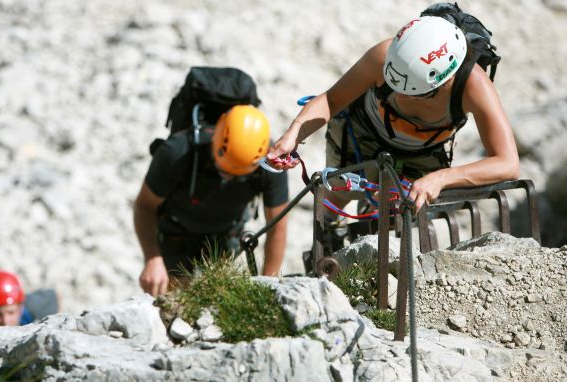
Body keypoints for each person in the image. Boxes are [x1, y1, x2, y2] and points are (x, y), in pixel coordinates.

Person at [267, 15, 519, 214]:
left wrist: (440, 179)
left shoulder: (473, 85)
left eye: (415, 93)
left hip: (423, 152)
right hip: (363, 130)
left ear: (445, 81)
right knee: (339, 193)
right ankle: (327, 234)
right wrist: (294, 133)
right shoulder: (384, 55)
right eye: (393, 86)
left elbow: (507, 162)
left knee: (405, 210)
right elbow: (332, 100)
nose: (399, 97)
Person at [134, 105, 289, 296]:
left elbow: (277, 225)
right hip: (176, 235)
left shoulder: (270, 164)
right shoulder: (176, 152)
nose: (228, 179)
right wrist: (153, 260)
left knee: (218, 300)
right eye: (223, 171)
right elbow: (144, 206)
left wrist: (269, 287)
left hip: (226, 238)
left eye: (237, 176)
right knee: (170, 303)